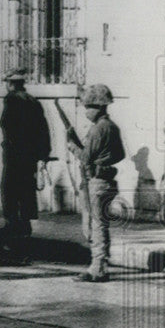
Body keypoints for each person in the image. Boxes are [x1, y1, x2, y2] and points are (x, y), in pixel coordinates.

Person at [0, 67, 51, 264]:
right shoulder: (33, 102)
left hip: (15, 157)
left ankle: (12, 247)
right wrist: (42, 156)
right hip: (29, 159)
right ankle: (24, 245)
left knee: (10, 196)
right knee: (25, 198)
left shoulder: (11, 100)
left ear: (9, 84)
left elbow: (8, 127)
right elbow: (43, 131)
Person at [67, 84, 125, 282]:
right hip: (107, 180)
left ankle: (97, 268)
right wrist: (105, 159)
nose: (86, 111)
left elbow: (84, 157)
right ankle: (101, 264)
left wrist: (72, 146)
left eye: (89, 107)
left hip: (97, 182)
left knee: (96, 225)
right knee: (101, 224)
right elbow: (120, 154)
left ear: (99, 107)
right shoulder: (112, 127)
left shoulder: (98, 129)